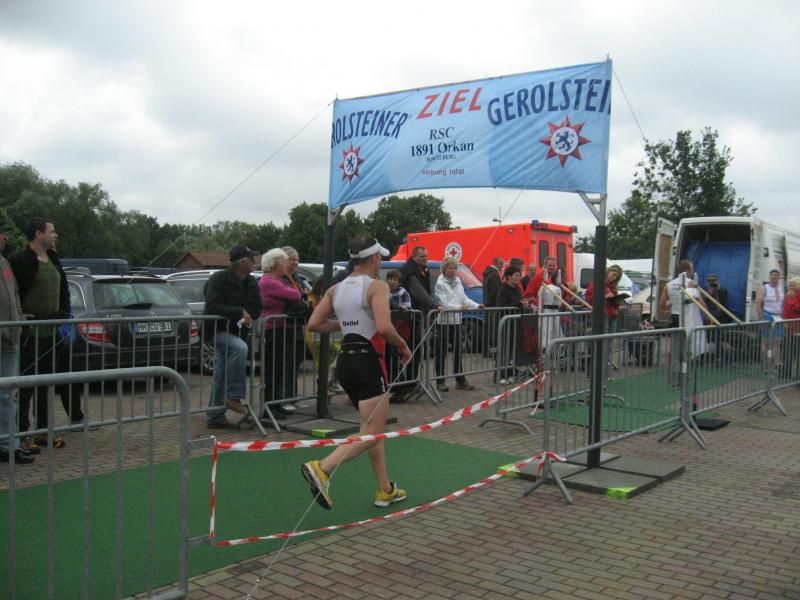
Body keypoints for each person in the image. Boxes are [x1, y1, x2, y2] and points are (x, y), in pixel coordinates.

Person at [301, 235, 412, 510]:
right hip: (368, 361)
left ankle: (385, 489)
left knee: (369, 429)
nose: (381, 261)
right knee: (373, 431)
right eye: (380, 257)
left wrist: (345, 326)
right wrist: (403, 346)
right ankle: (323, 468)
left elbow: (313, 324)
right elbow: (384, 327)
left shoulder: (335, 289)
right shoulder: (377, 286)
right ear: (373, 258)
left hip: (346, 363)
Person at [9, 217, 85, 450]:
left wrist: (63, 313)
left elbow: (63, 290)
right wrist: (18, 315)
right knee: (25, 387)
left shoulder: (53, 258)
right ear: (38, 234)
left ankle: (42, 431)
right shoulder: (19, 260)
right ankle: (22, 434)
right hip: (28, 335)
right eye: (52, 231)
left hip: (51, 334)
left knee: (45, 385)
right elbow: (11, 292)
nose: (56, 235)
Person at [203, 245, 262, 429]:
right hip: (217, 331)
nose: (255, 262)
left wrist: (248, 314)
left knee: (221, 372)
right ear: (242, 263)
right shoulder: (219, 278)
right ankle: (233, 396)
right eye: (251, 259)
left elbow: (257, 308)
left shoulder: (251, 282)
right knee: (240, 348)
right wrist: (239, 312)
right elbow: (212, 307)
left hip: (237, 332)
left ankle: (214, 415)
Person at [0, 221, 34, 464]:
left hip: (10, 337)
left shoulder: (4, 263)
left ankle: (8, 445)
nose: (4, 238)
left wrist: (19, 317)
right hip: (3, 336)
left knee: (8, 393)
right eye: (1, 234)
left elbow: (14, 294)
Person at [259, 248, 303, 418]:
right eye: (284, 262)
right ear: (275, 264)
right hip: (273, 329)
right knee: (273, 369)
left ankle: (276, 404)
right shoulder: (269, 281)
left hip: (281, 328)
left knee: (279, 369)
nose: (286, 265)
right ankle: (268, 406)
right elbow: (295, 294)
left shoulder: (278, 280)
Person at [433, 257, 483, 392]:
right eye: (450, 268)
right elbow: (443, 302)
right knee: (442, 352)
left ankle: (460, 380)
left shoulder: (458, 282)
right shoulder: (439, 284)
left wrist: (476, 305)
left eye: (454, 268)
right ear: (444, 269)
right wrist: (459, 307)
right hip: (444, 321)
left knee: (458, 351)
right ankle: (440, 381)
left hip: (457, 320)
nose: (452, 270)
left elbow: (464, 298)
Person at [399, 246, 438, 390]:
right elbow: (420, 293)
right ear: (414, 256)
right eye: (422, 256)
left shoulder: (422, 270)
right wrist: (434, 305)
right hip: (410, 318)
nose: (425, 259)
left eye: (426, 256)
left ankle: (412, 381)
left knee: (416, 350)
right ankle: (407, 383)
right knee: (410, 350)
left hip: (418, 317)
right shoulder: (410, 271)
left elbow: (428, 292)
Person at [280, 246, 310, 408]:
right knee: (286, 362)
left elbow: (304, 296)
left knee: (296, 360)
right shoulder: (280, 278)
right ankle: (284, 397)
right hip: (284, 325)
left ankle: (292, 396)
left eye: (297, 259)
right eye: (292, 259)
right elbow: (291, 301)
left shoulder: (296, 278)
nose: (296, 262)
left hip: (297, 325)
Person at [660, 260, 709, 356]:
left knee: (675, 345)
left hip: (674, 317)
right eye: (692, 270)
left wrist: (671, 305)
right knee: (689, 344)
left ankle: (674, 363)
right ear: (687, 270)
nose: (692, 272)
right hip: (688, 317)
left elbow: (662, 304)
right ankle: (687, 363)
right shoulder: (691, 283)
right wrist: (707, 315)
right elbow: (700, 302)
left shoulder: (668, 285)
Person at [495, 265, 530, 383]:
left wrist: (524, 304)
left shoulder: (518, 289)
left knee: (512, 350)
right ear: (509, 276)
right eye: (516, 275)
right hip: (506, 323)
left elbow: (518, 302)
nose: (518, 278)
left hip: (516, 323)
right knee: (504, 349)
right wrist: (519, 304)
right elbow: (500, 306)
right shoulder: (503, 289)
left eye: (520, 275)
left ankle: (509, 373)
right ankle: (500, 375)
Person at [385, 270, 412, 402]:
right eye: (390, 279)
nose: (392, 281)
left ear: (399, 282)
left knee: (395, 359)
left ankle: (400, 388)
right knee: (389, 359)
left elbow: (406, 310)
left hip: (399, 330)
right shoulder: (384, 292)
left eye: (395, 279)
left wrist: (401, 309)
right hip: (387, 329)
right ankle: (393, 388)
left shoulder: (403, 293)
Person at [585, 264, 625, 333]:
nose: (614, 278)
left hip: (612, 316)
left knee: (610, 337)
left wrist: (618, 302)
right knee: (603, 337)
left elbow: (615, 306)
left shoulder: (613, 288)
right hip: (601, 316)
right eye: (614, 274)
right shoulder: (596, 284)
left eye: (616, 277)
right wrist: (604, 297)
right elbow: (588, 299)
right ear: (609, 271)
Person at [537, 268, 565, 351]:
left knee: (555, 328)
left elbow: (559, 303)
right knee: (547, 329)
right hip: (547, 311)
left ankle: (554, 347)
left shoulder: (557, 288)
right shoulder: (545, 287)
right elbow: (540, 300)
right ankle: (545, 347)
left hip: (554, 312)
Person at [781, 277, 800, 379]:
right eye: (790, 285)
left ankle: (797, 376)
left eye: (793, 284)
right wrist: (784, 322)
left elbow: (797, 307)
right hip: (789, 327)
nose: (791, 286)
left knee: (797, 352)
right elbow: (785, 310)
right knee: (787, 351)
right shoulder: (788, 296)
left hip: (797, 327)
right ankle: (786, 373)